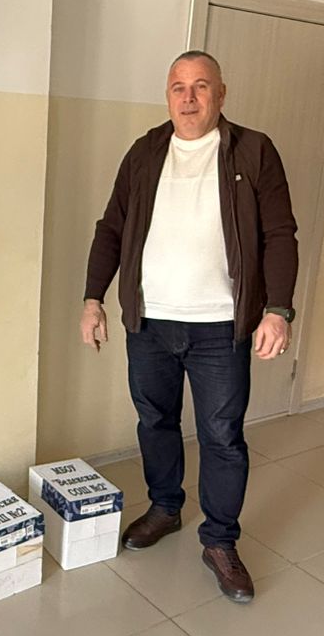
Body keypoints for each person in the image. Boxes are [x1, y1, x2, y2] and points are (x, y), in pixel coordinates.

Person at [81, 50, 297, 603]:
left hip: (219, 328)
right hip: (150, 322)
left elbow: (279, 234)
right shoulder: (144, 152)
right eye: (179, 86)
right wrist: (93, 298)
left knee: (222, 436)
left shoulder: (253, 150)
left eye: (202, 86)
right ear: (167, 95)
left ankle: (220, 541)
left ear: (221, 94)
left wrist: (278, 309)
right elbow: (111, 228)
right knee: (154, 420)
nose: (189, 97)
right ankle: (165, 507)